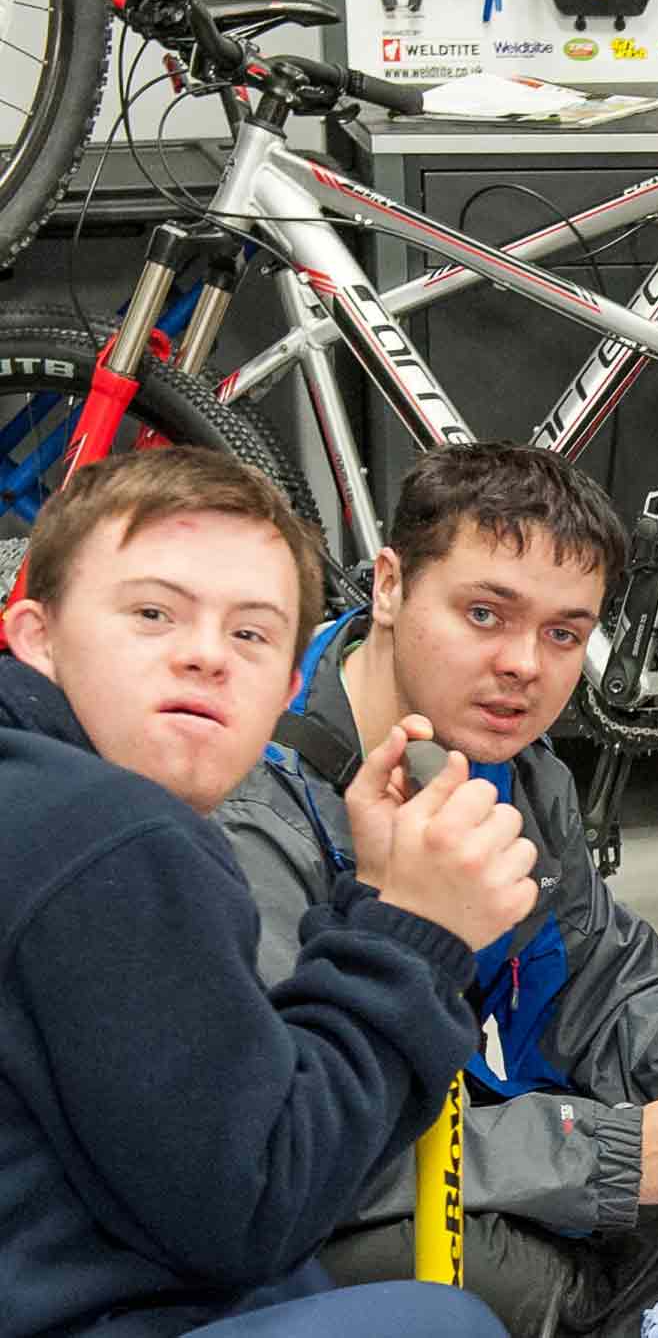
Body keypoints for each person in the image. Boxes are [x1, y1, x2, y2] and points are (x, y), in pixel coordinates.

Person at [216, 444, 658, 1337]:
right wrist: (600, 1155)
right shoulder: (252, 809)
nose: (525, 664)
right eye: (485, 612)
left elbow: (590, 982)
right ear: (393, 587)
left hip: (452, 1121)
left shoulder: (511, 766)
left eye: (564, 632)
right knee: (506, 1284)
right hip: (306, 1186)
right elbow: (279, 1153)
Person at [0, 446, 520, 1337]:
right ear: (35, 634)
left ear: (284, 684)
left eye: (249, 632)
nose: (206, 655)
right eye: (153, 613)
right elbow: (256, 1207)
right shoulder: (112, 830)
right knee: (442, 1325)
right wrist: (418, 934)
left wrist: (377, 902)